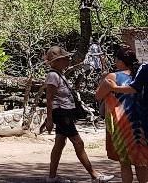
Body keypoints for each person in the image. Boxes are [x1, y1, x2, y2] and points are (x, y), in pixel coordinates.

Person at [43, 45, 114, 183]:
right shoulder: (52, 76)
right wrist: (49, 119)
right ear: (56, 61)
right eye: (64, 58)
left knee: (59, 144)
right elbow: (49, 99)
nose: (68, 60)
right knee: (78, 142)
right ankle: (94, 175)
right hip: (61, 114)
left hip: (65, 113)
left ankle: (52, 177)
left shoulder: (59, 74)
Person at [95, 45, 147, 183]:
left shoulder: (113, 76)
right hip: (141, 122)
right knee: (141, 161)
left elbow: (98, 96)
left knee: (125, 162)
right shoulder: (140, 75)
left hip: (122, 122)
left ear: (120, 62)